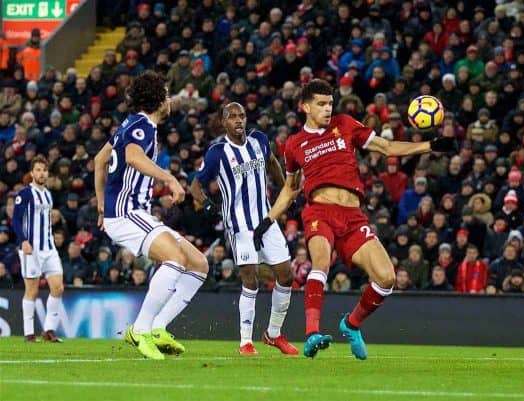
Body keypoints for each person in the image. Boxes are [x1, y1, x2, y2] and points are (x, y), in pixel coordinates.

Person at [253, 79, 454, 360]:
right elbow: (290, 188)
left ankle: (351, 323)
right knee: (320, 262)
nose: (327, 109)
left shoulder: (345, 124)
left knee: (386, 278)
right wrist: (268, 220)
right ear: (305, 107)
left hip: (352, 215)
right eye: (321, 104)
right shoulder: (294, 145)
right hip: (319, 212)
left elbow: (386, 147)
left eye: (330, 104)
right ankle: (312, 334)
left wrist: (430, 145)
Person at [94, 71, 209, 360]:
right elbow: (132, 157)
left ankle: (158, 327)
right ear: (157, 100)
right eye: (167, 95)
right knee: (175, 258)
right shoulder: (142, 126)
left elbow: (99, 161)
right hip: (126, 212)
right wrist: (170, 178)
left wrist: (99, 205)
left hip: (128, 213)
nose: (169, 100)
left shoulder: (129, 124)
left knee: (199, 264)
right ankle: (140, 329)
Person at [191, 102, 297, 355]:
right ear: (224, 122)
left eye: (242, 116)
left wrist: (286, 192)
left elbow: (272, 163)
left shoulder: (259, 139)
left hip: (266, 220)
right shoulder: (217, 153)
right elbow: (195, 186)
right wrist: (206, 204)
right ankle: (245, 342)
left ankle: (273, 334)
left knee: (286, 275)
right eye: (232, 117)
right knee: (251, 280)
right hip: (239, 225)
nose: (239, 120)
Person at [11, 155, 64, 343]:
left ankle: (49, 329)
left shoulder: (48, 194)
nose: (42, 173)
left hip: (49, 249)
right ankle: (28, 333)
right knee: (31, 291)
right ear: (32, 173)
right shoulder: (25, 193)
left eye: (44, 170)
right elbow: (16, 219)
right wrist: (23, 240)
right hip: (31, 249)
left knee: (58, 288)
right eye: (38, 170)